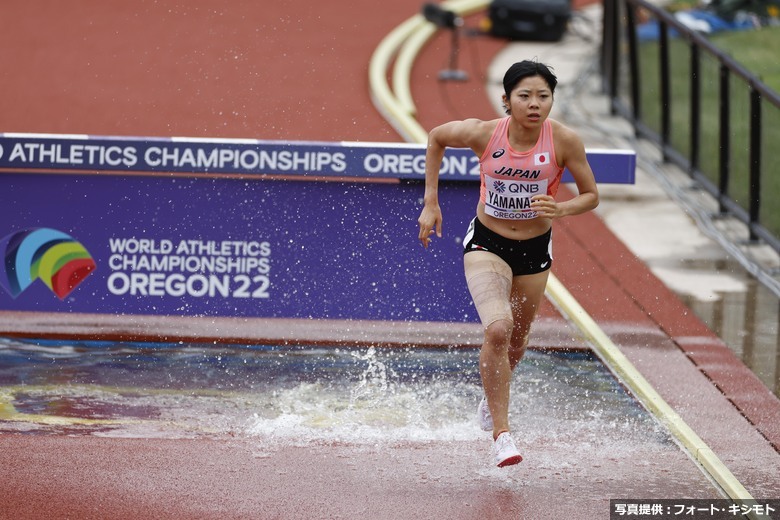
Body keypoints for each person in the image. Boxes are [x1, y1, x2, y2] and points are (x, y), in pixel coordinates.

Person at [417, 59, 599, 467]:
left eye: (544, 96)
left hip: (535, 253)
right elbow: (435, 138)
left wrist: (562, 209)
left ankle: (490, 400)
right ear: (506, 100)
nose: (535, 104)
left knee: (516, 343)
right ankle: (502, 434)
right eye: (525, 96)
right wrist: (431, 202)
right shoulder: (484, 134)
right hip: (488, 243)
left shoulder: (565, 141)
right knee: (498, 328)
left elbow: (591, 195)